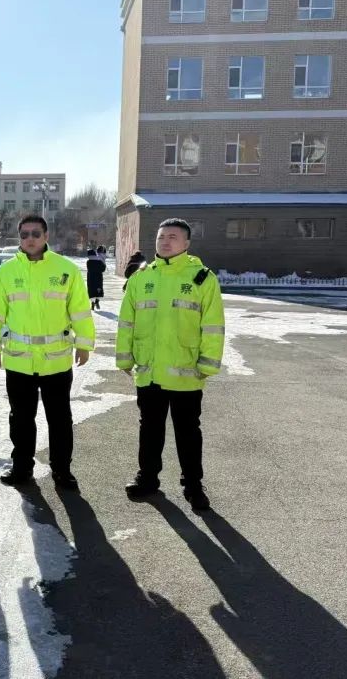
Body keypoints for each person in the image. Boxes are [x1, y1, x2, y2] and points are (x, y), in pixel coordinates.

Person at [117, 218, 225, 511]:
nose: (165, 241)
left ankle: (193, 485)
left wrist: (208, 363)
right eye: (162, 236)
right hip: (149, 371)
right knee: (149, 429)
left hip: (186, 372)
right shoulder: (141, 278)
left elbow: (213, 324)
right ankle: (148, 479)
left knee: (188, 432)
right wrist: (124, 357)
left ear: (187, 244)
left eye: (173, 237)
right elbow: (127, 321)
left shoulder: (202, 278)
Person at [0, 215, 96, 491]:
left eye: (35, 233)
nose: (30, 239)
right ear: (19, 238)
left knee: (59, 420)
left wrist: (84, 344)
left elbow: (80, 311)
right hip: (19, 362)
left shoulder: (66, 269)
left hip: (56, 361)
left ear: (46, 236)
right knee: (21, 419)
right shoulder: (6, 273)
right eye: (24, 234)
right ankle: (22, 468)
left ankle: (62, 470)